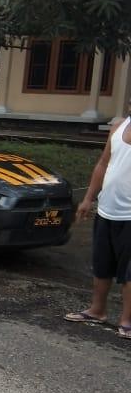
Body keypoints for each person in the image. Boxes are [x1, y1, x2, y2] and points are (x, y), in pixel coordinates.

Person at [65, 103, 131, 339]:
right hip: (107, 209)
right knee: (102, 263)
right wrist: (88, 199)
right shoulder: (117, 127)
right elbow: (103, 164)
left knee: (129, 270)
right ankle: (97, 310)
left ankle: (127, 320)